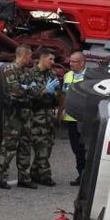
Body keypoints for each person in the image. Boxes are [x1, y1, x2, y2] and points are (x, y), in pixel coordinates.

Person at [0, 45, 37, 190]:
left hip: (26, 112)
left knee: (25, 145)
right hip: (13, 114)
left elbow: (35, 89)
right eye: (29, 56)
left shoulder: (26, 71)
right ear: (23, 55)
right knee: (9, 146)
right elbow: (15, 90)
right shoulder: (9, 69)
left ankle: (24, 178)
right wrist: (27, 88)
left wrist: (27, 88)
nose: (30, 59)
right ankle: (1, 178)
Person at [28, 49, 62, 186]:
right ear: (42, 58)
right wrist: (44, 91)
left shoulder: (51, 75)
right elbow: (29, 95)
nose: (53, 62)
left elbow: (58, 97)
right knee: (41, 145)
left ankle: (34, 172)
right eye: (50, 59)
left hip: (49, 116)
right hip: (36, 116)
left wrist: (54, 94)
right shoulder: (31, 74)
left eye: (54, 59)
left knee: (48, 145)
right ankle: (45, 175)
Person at [60, 51, 87, 185]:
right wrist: (60, 112)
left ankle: (85, 175)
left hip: (84, 119)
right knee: (76, 148)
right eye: (70, 61)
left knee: (84, 148)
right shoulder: (68, 76)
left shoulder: (89, 77)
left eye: (74, 62)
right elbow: (64, 95)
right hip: (70, 117)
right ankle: (81, 174)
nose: (71, 64)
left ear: (82, 62)